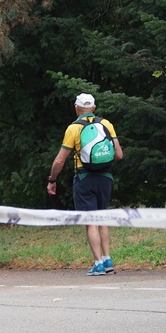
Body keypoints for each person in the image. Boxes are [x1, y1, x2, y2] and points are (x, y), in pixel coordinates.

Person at [47, 93, 123, 276]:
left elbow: (60, 160)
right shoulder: (106, 124)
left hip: (84, 178)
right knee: (102, 217)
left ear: (76, 109)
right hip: (105, 177)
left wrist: (52, 179)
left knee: (90, 221)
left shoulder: (73, 128)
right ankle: (107, 260)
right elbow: (119, 154)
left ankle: (97, 264)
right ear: (94, 107)